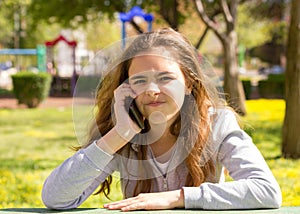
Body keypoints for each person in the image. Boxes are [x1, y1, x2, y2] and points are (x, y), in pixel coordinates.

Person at [42, 28, 282, 211]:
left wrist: (178, 197)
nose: (152, 90)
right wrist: (120, 134)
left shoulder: (218, 123)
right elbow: (55, 198)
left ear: (188, 83)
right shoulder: (121, 132)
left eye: (165, 78)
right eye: (139, 80)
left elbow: (267, 190)